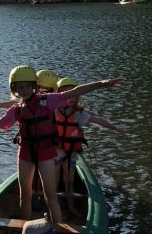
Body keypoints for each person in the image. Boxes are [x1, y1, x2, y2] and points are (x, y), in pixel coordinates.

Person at [0, 65, 124, 225]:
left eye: (27, 86)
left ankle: (59, 230)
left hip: (46, 153)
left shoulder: (48, 101)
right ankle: (25, 231)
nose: (24, 90)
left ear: (34, 86)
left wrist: (102, 83)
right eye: (20, 87)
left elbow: (74, 92)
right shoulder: (16, 110)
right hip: (25, 154)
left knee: (51, 196)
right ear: (14, 89)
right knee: (24, 195)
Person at [54, 77, 127, 215]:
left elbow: (98, 120)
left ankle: (70, 206)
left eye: (73, 93)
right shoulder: (53, 111)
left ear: (78, 96)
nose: (71, 96)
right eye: (66, 92)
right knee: (55, 178)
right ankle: (55, 204)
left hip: (71, 152)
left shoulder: (79, 114)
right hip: (57, 150)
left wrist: (116, 129)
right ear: (59, 95)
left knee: (69, 180)